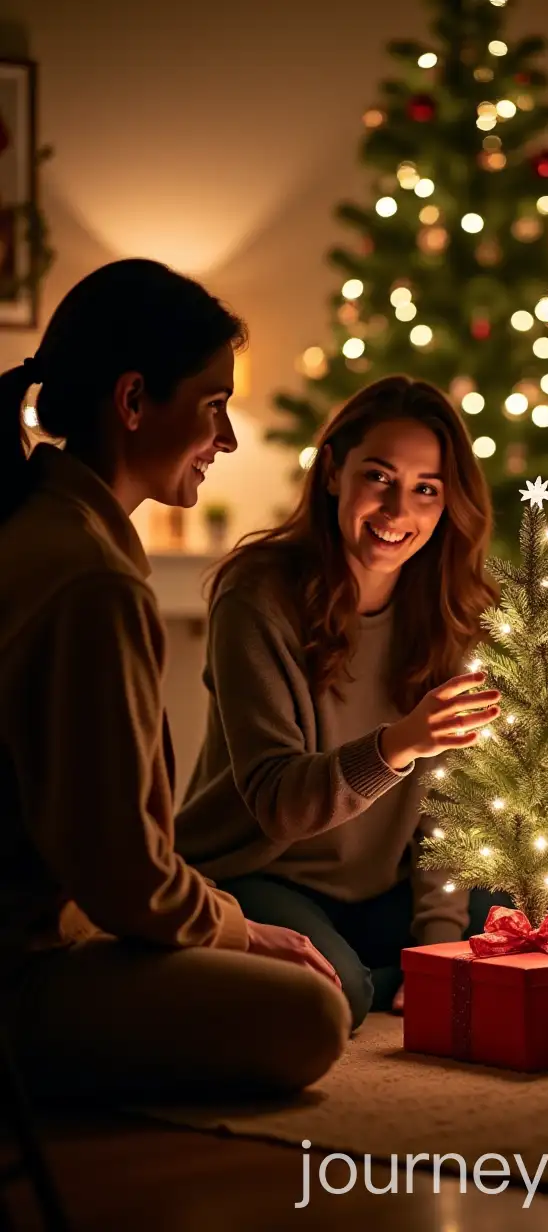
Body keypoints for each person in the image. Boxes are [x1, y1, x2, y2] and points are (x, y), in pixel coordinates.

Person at [0, 259, 351, 1104]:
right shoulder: (92, 581)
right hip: (24, 969)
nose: (226, 440)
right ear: (131, 402)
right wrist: (238, 931)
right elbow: (126, 880)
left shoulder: (40, 527)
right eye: (212, 406)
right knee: (310, 1010)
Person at [175, 375, 505, 1030]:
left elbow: (445, 818)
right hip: (258, 872)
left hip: (375, 886)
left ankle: (384, 969)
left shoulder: (453, 615)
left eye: (425, 490)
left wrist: (436, 947)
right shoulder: (257, 595)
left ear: (447, 505)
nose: (396, 510)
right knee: (334, 998)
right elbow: (278, 801)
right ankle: (368, 980)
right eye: (377, 477)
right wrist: (400, 742)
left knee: (502, 923)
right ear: (332, 472)